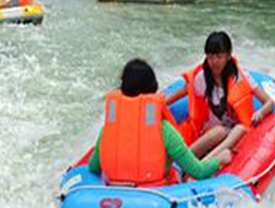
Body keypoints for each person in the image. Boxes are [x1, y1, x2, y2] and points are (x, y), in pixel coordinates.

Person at [87, 59, 230, 186]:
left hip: (115, 194)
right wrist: (220, 160)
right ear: (152, 91)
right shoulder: (164, 131)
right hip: (157, 197)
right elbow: (198, 171)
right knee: (182, 165)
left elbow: (94, 167)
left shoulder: (108, 129)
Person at [182, 31, 275, 160]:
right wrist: (161, 102)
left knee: (239, 129)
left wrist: (260, 113)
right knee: (218, 131)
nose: (214, 62)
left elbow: (269, 102)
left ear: (228, 55)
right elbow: (187, 90)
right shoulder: (203, 78)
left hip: (235, 134)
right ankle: (181, 163)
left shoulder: (240, 78)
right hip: (213, 132)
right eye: (210, 57)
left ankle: (203, 164)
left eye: (219, 57)